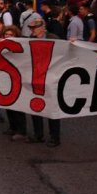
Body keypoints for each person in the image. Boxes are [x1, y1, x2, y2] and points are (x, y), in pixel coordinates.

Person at [27, 18, 61, 147]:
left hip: (51, 79)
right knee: (35, 106)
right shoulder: (30, 39)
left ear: (43, 27)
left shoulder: (54, 38)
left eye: (34, 28)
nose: (32, 30)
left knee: (52, 108)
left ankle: (55, 137)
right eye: (31, 28)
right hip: (36, 78)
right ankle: (38, 134)